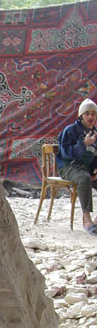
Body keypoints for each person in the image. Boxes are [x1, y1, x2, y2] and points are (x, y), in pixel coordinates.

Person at [57, 98, 97, 234]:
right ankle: (86, 219)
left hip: (86, 168)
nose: (90, 117)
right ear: (81, 116)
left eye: (93, 113)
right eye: (87, 113)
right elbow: (66, 153)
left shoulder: (95, 133)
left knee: (87, 175)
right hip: (69, 167)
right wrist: (83, 144)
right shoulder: (70, 130)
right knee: (84, 178)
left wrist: (96, 167)